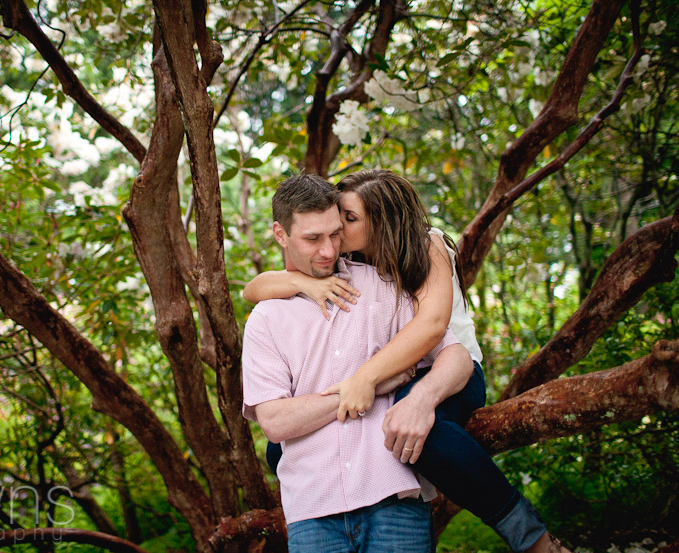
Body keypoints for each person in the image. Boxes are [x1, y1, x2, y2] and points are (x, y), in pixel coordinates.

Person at [244, 169, 571, 553]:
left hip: (447, 371)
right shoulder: (327, 277)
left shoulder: (424, 248)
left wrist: (369, 380)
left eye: (345, 224)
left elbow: (432, 328)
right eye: (323, 232)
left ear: (380, 221)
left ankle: (533, 540)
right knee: (279, 451)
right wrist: (305, 283)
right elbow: (256, 289)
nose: (333, 244)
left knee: (426, 437)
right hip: (326, 495)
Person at [242, 173, 475, 552]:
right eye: (312, 239)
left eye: (335, 234)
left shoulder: (384, 286)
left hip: (394, 502)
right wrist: (365, 386)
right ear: (280, 234)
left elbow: (457, 357)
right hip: (313, 512)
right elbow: (275, 422)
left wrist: (421, 397)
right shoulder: (267, 319)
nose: (329, 251)